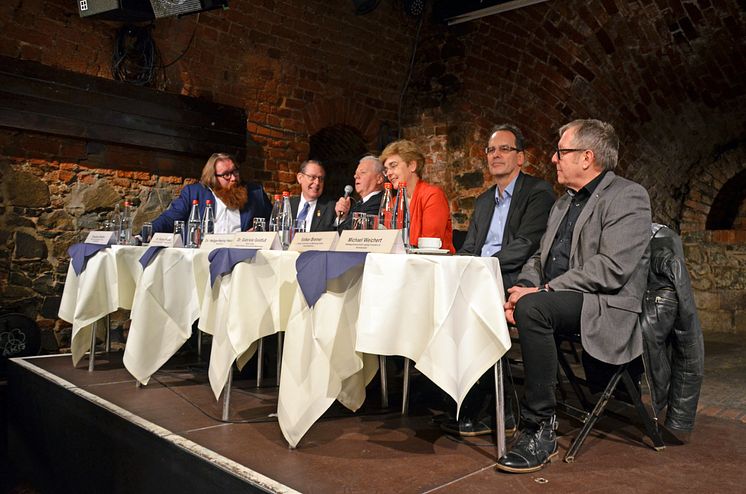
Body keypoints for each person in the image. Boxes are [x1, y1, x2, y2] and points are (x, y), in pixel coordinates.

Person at [497, 119, 652, 474]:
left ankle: (540, 428)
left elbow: (612, 267)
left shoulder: (628, 195)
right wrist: (522, 288)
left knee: (534, 309)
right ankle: (487, 409)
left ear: (587, 157)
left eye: (561, 151)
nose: (554, 158)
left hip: (605, 301)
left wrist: (543, 291)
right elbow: (539, 256)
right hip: (554, 296)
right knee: (491, 298)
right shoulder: (563, 203)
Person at [442, 124, 555, 437]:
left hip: (514, 275)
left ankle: (495, 405)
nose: (496, 155)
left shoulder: (538, 192)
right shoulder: (482, 201)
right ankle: (455, 393)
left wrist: (479, 269)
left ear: (520, 157)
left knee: (470, 304)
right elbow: (469, 247)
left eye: (505, 149)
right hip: (481, 274)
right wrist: (459, 267)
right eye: (491, 150)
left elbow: (527, 244)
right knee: (441, 297)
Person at [149, 152, 271, 234]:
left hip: (242, 259)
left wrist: (259, 232)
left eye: (235, 172)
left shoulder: (256, 193)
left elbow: (273, 223)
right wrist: (144, 234)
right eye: (226, 175)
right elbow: (169, 219)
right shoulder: (194, 193)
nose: (234, 178)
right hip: (203, 256)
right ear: (213, 177)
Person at [379, 139, 455, 253]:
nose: (388, 173)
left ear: (412, 166)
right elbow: (384, 240)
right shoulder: (393, 202)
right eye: (386, 169)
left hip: (431, 265)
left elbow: (429, 245)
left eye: (393, 166)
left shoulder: (432, 196)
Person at [334, 155, 385, 231]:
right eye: (355, 173)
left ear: (379, 179)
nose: (355, 176)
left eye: (363, 172)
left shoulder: (379, 203)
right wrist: (342, 217)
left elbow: (349, 233)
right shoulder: (358, 204)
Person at [289, 160, 337, 232]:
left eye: (320, 179)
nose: (317, 183)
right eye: (312, 177)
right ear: (300, 178)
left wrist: (342, 217)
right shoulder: (288, 205)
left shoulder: (331, 207)